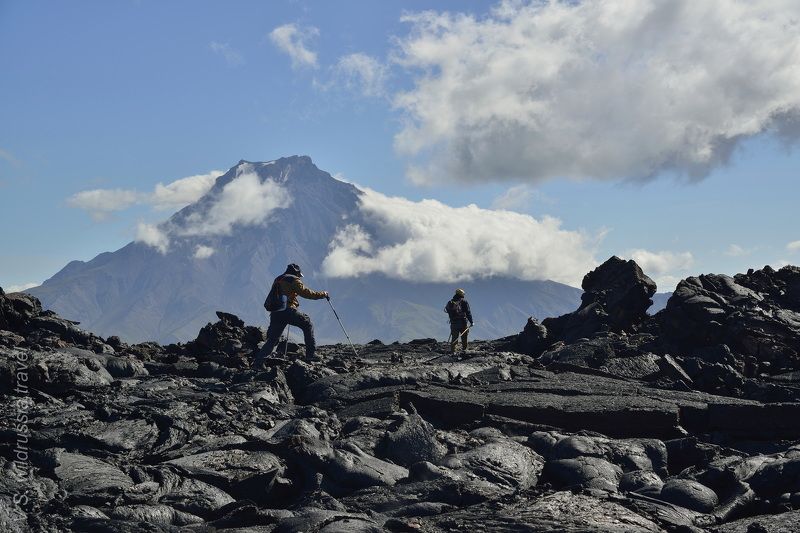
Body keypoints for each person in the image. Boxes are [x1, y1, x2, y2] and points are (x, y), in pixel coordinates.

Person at [254, 263, 328, 367]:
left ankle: (258, 363)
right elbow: (305, 293)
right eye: (299, 275)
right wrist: (322, 294)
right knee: (307, 324)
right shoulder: (293, 279)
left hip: (275, 312)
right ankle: (311, 355)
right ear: (296, 272)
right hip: (287, 311)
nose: (299, 277)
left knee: (272, 339)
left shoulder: (278, 279)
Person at [445, 288, 473, 353]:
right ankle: (464, 351)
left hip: (453, 323)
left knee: (454, 338)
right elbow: (468, 312)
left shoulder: (451, 302)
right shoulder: (464, 302)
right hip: (463, 323)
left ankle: (453, 353)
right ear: (462, 294)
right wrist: (471, 322)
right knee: (464, 338)